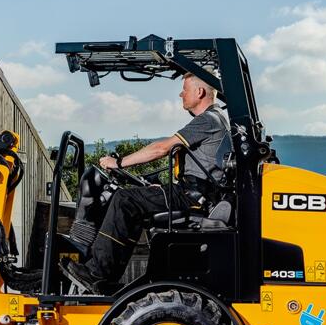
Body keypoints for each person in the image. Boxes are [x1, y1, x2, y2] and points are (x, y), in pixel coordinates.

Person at [62, 73, 232, 294]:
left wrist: (119, 163)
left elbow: (161, 149)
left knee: (124, 200)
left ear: (199, 92)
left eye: (185, 89)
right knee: (135, 203)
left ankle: (97, 273)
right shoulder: (215, 119)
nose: (181, 94)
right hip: (194, 192)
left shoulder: (209, 120)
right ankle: (105, 279)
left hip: (192, 195)